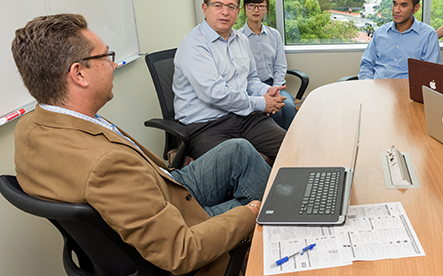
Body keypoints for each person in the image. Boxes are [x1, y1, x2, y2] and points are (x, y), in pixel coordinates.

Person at [11, 14, 271, 275]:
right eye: (105, 57)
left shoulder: (32, 125)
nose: (113, 66)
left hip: (160, 190)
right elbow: (182, 252)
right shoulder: (107, 166)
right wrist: (251, 212)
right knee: (268, 205)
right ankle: (275, 239)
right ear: (79, 73)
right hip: (183, 227)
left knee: (239, 148)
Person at [173, 0, 286, 160]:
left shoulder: (241, 40)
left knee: (292, 148)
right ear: (205, 8)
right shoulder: (194, 45)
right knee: (242, 164)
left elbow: (250, 79)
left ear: (238, 12)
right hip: (205, 126)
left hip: (243, 117)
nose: (225, 12)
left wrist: (267, 91)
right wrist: (261, 103)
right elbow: (215, 94)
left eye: (231, 7)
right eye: (218, 5)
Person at [240, 0, 296, 130]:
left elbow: (280, 65)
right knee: (274, 113)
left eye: (261, 6)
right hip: (252, 89)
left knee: (288, 107)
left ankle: (291, 146)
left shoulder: (274, 35)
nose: (256, 10)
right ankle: (276, 149)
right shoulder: (238, 38)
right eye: (251, 5)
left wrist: (275, 87)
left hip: (274, 84)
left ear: (266, 9)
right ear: (244, 8)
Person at [358, 0, 441, 80]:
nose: (396, 10)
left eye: (404, 5)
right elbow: (366, 65)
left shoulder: (428, 35)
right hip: (377, 90)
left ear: (416, 8)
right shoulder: (380, 32)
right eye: (394, 4)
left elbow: (429, 74)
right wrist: (368, 86)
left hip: (407, 92)